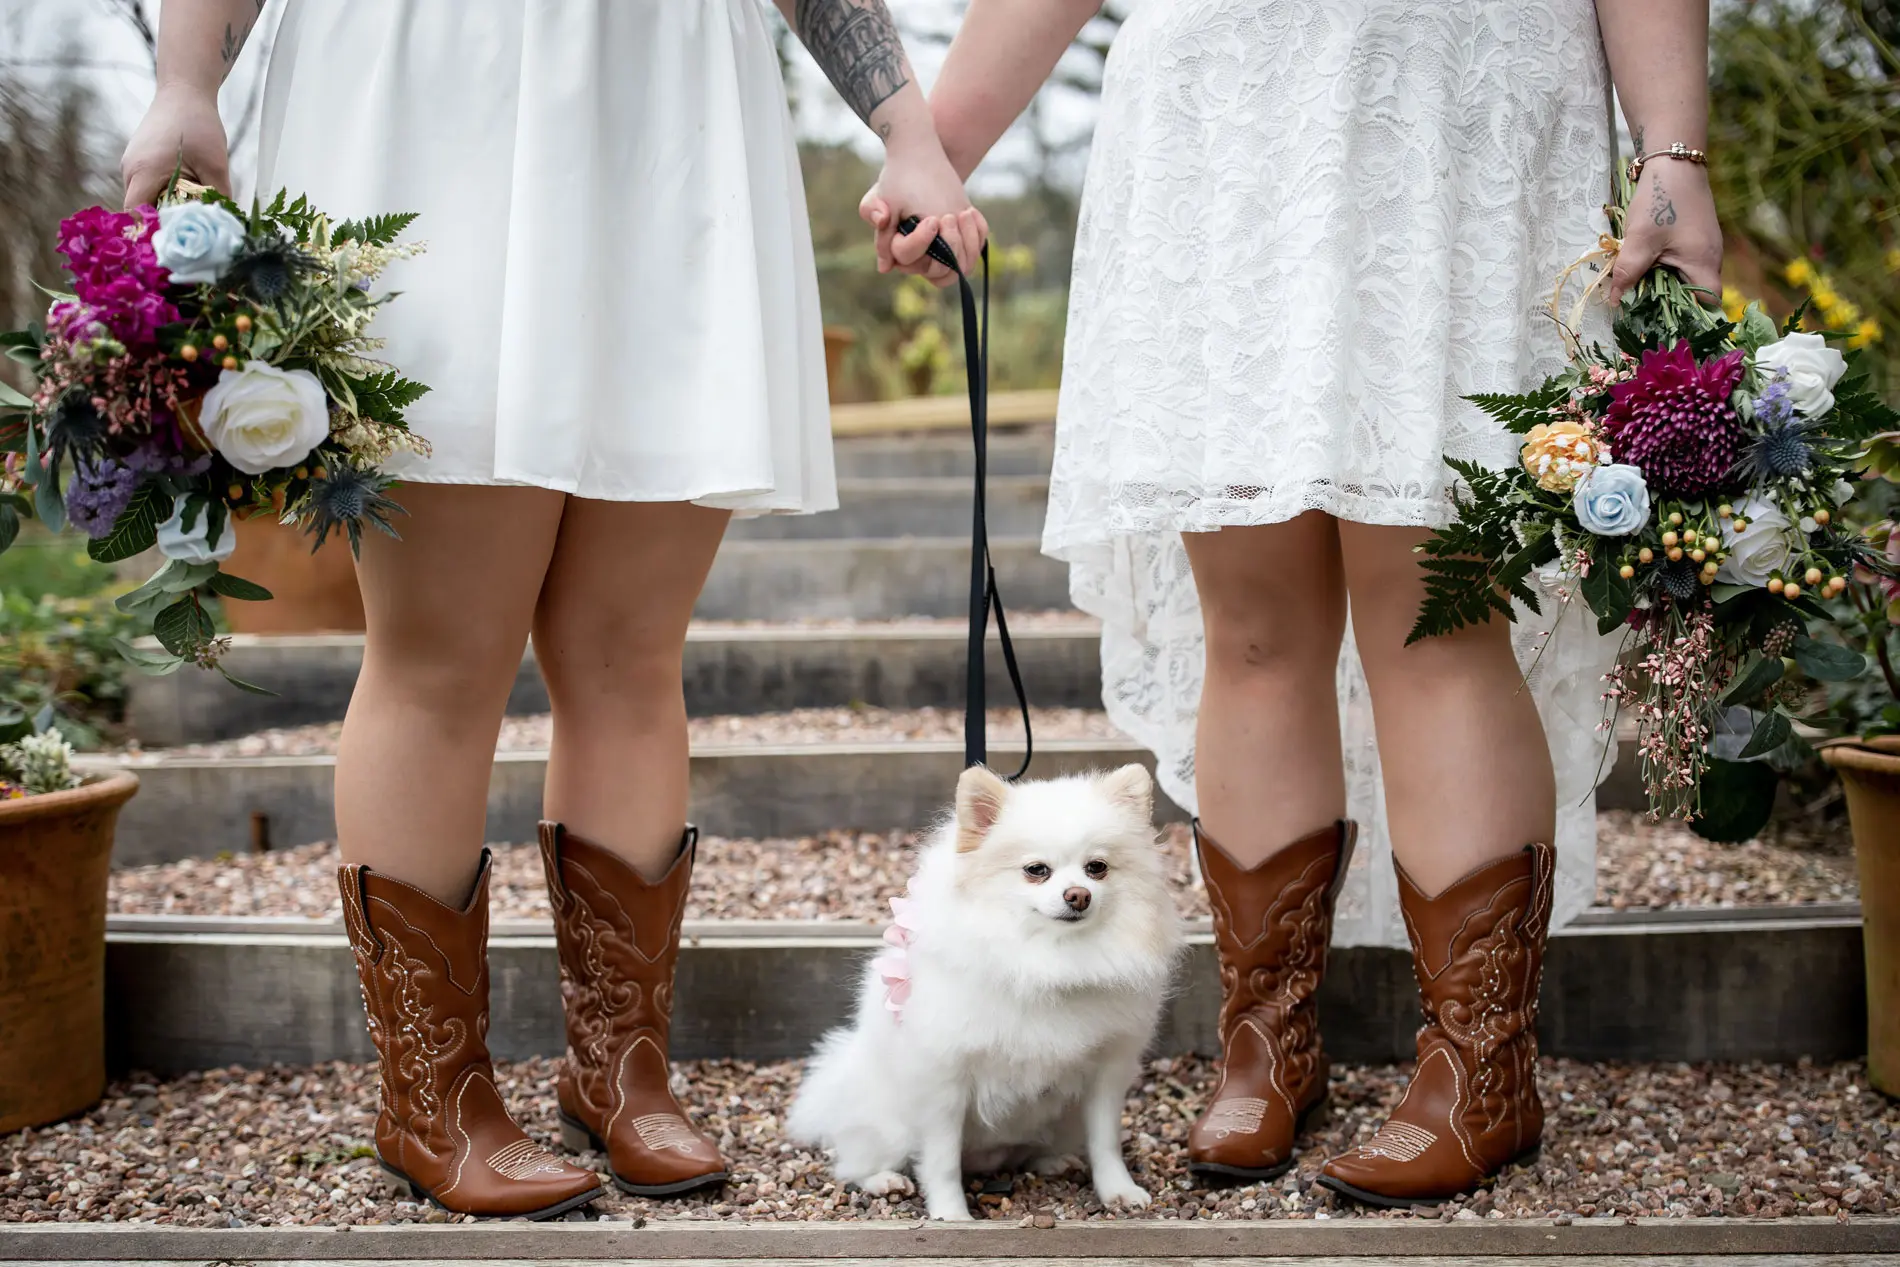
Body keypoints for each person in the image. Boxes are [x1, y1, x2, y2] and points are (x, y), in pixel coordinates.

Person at [122, 0, 985, 1220]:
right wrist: (183, 79)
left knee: (631, 650)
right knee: (440, 653)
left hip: (674, 111)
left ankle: (622, 1070)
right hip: (424, 95)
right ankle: (432, 1099)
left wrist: (909, 130)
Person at [867, 0, 1721, 1205]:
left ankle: (1483, 1071)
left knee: (1439, 604)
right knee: (1253, 625)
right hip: (1225, 118)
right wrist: (937, 147)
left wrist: (1670, 150)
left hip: (1448, 101)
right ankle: (1265, 1041)